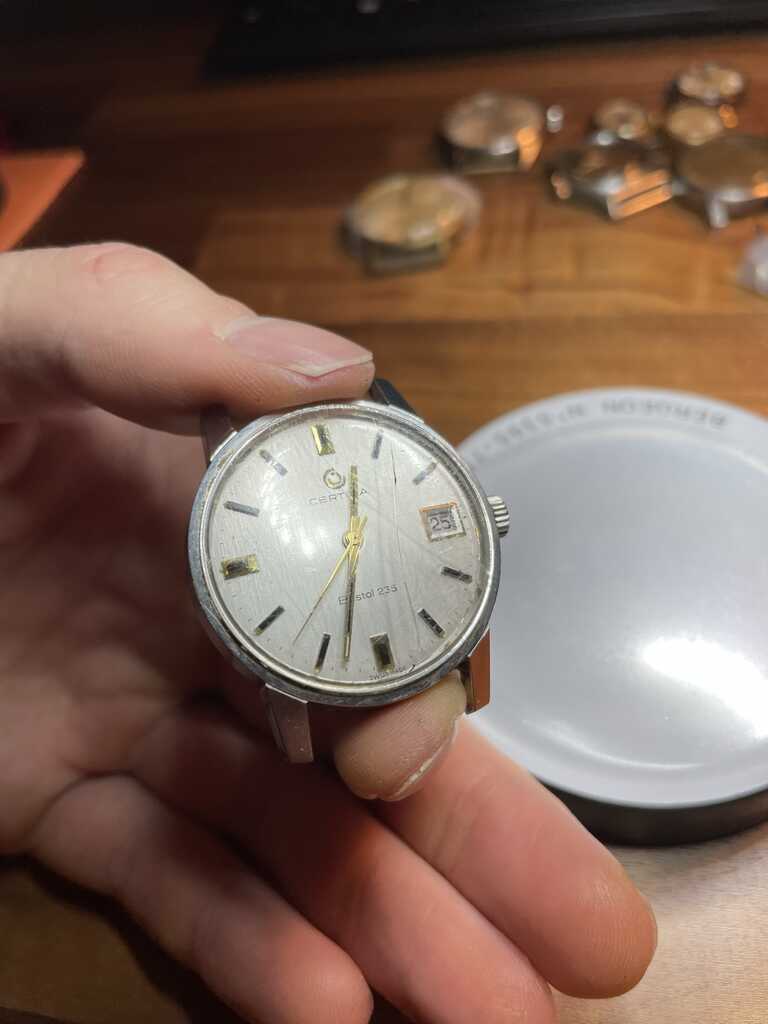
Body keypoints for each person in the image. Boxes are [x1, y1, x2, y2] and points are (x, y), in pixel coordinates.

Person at [0, 243, 656, 1024]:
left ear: (487, 516)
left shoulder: (404, 458)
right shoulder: (224, 453)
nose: (353, 539)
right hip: (277, 646)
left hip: (420, 610)